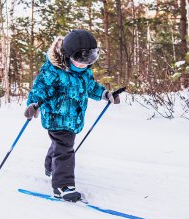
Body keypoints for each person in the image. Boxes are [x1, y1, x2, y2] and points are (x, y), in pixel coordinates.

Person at [24, 30, 120, 202]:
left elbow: (91, 87)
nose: (85, 64)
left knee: (60, 146)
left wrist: (106, 94)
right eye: (82, 59)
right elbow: (39, 89)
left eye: (90, 59)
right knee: (65, 150)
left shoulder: (84, 72)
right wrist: (33, 105)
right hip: (56, 118)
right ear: (68, 55)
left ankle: (50, 166)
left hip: (73, 119)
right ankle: (63, 186)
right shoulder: (52, 71)